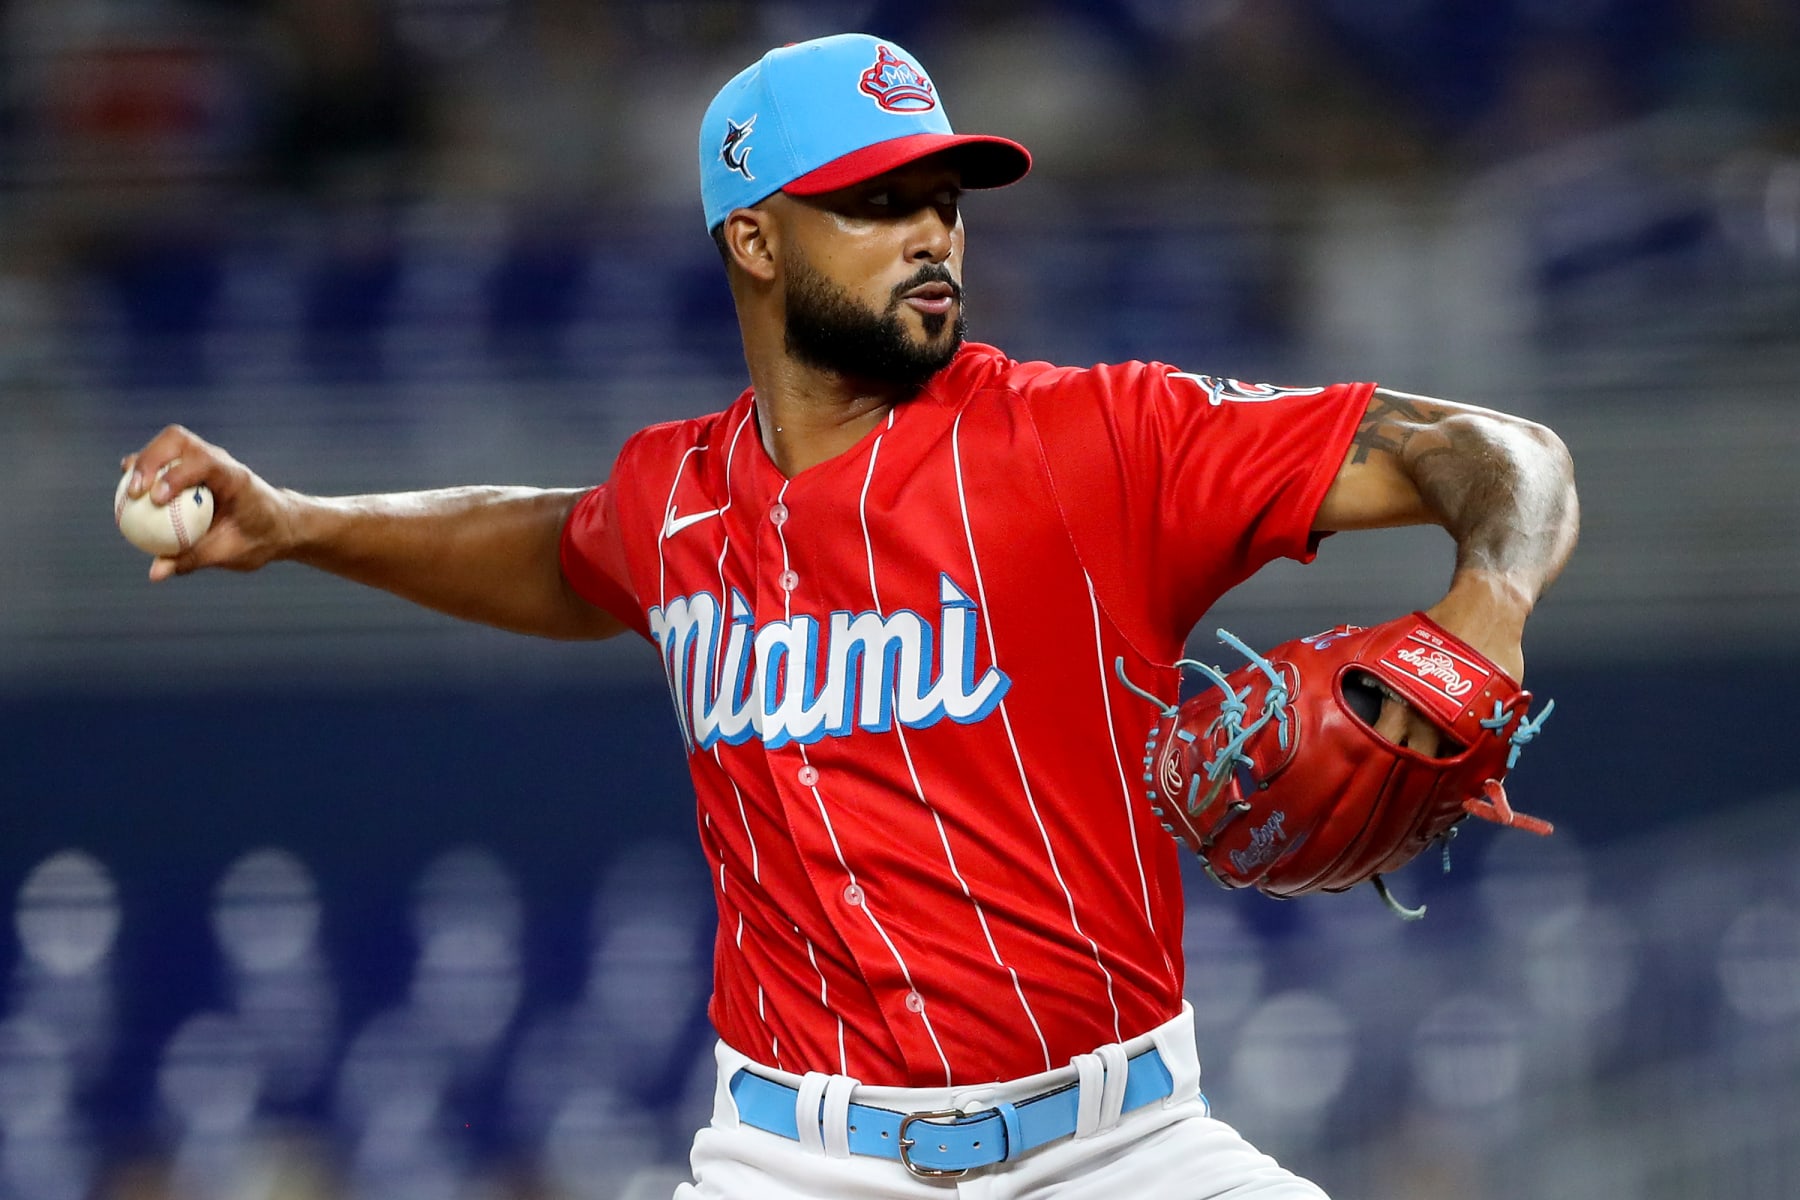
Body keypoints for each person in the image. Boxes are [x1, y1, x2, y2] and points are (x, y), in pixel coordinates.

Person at [121, 33, 1578, 1200]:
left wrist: (1488, 604)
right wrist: (305, 523)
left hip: (1123, 1146)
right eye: (876, 202)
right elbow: (560, 554)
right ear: (755, 240)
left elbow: (1501, 453)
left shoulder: (1099, 440)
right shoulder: (673, 499)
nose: (930, 233)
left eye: (942, 197)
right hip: (789, 1160)